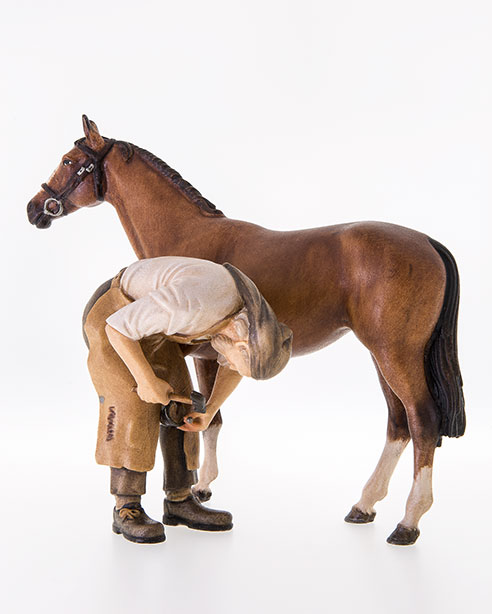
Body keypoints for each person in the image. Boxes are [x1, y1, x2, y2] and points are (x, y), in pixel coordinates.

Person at [82, 256, 293, 544]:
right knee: (132, 406)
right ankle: (126, 507)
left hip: (153, 329)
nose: (230, 363)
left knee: (183, 408)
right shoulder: (192, 304)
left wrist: (210, 409)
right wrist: (145, 381)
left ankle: (179, 499)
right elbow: (118, 328)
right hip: (114, 316)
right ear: (242, 345)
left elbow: (232, 365)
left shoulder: (250, 320)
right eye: (238, 362)